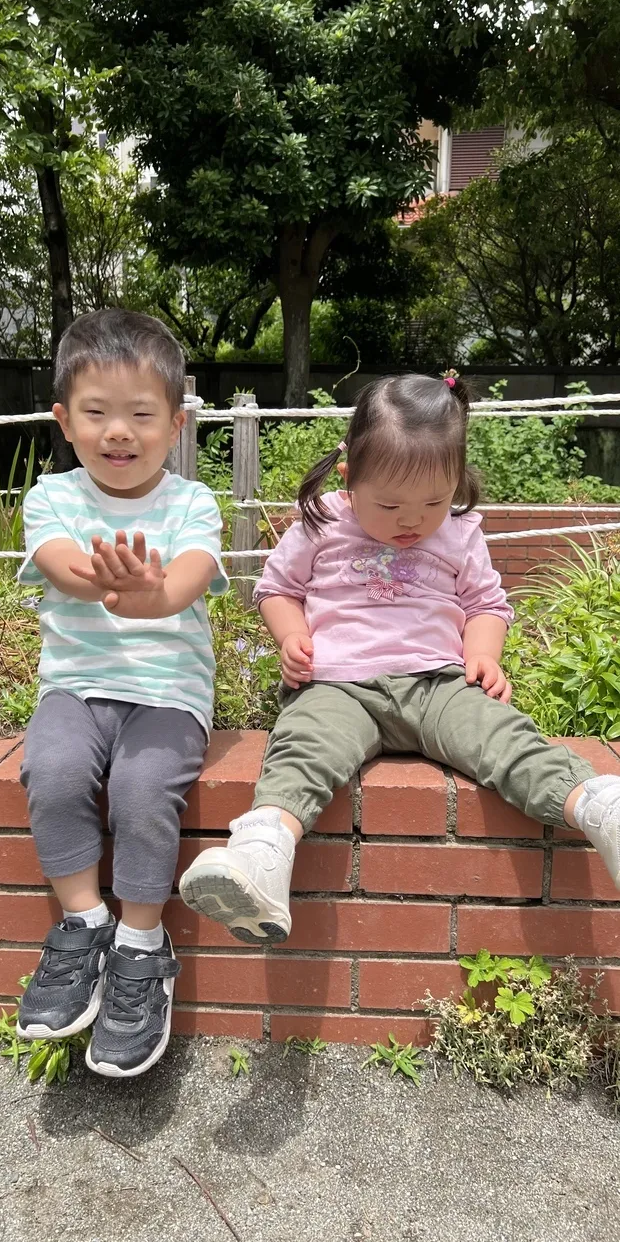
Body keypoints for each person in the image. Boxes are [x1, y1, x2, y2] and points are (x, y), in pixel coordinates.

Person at [179, 373, 620, 943]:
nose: (412, 520)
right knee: (303, 752)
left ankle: (598, 807)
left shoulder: (459, 532)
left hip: (438, 684)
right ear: (349, 479)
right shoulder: (322, 522)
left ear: (456, 485)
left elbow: (487, 602)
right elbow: (276, 588)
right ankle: (262, 853)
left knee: (503, 739)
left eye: (435, 501)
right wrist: (291, 637)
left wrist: (484, 654)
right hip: (337, 687)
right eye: (389, 504)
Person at [16, 308, 227, 1078]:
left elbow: (185, 581)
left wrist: (150, 595)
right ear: (63, 420)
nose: (119, 431)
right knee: (56, 770)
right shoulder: (51, 497)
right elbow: (63, 564)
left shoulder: (192, 504)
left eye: (141, 414)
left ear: (175, 423)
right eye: (97, 412)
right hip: (76, 684)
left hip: (166, 691)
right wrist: (107, 584)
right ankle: (84, 924)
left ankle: (142, 943)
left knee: (143, 788)